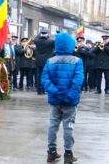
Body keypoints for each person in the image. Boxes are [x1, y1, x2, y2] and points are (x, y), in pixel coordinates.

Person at [41, 32, 84, 164]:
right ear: (71, 45)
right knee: (68, 127)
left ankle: (51, 152)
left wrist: (55, 92)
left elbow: (45, 79)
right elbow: (78, 80)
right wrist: (70, 96)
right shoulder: (77, 61)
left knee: (53, 125)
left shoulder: (50, 61)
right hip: (70, 102)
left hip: (55, 100)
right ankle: (68, 154)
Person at [34, 28, 54, 95]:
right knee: (46, 76)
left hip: (38, 61)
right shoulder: (51, 41)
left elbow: (36, 37)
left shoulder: (37, 40)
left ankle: (39, 90)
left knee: (38, 75)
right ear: (47, 34)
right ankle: (44, 89)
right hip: (47, 61)